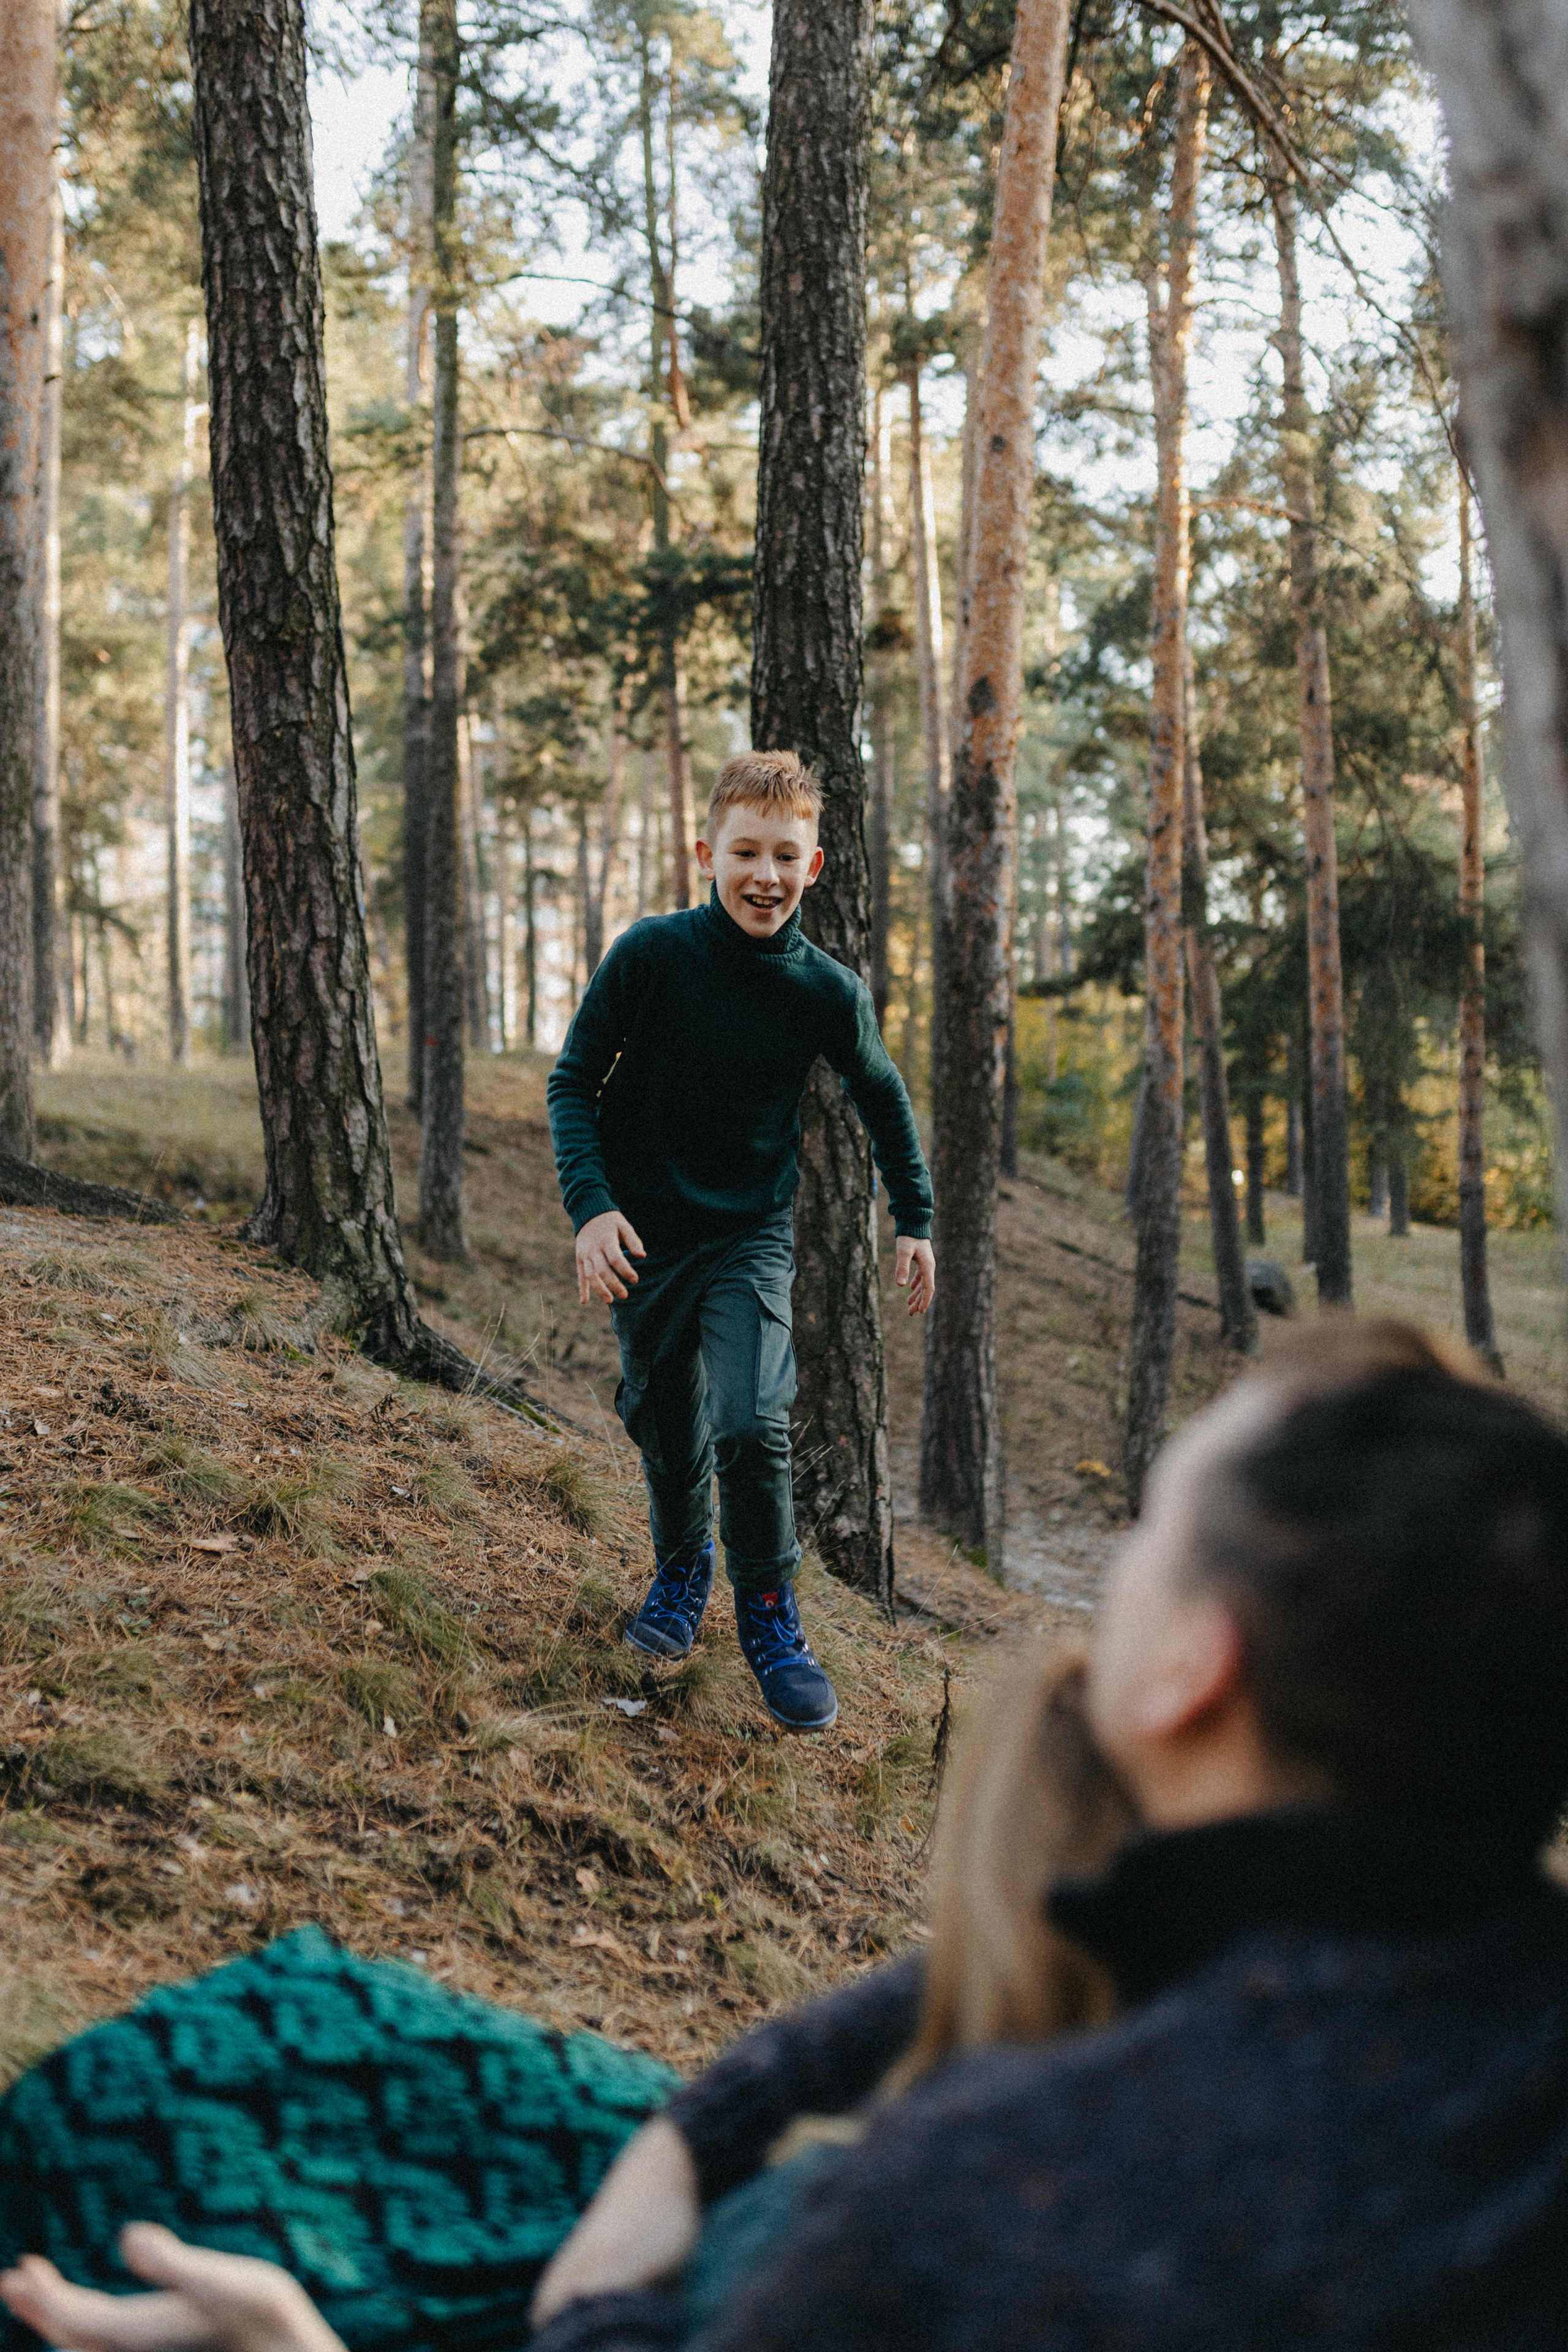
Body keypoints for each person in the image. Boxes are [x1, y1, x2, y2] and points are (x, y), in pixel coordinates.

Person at [0, 1648, 1135, 2352]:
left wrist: (297, 2342)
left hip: (637, 2291)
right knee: (250, 2050)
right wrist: (681, 2153)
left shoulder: (982, 2264)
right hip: (664, 2192)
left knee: (128, 2176)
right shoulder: (1091, 2010)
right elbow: (865, 2031)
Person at [546, 750, 935, 1734]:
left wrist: (915, 1216)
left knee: (752, 1420)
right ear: (706, 854)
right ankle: (683, 1568)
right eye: (746, 852)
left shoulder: (825, 991)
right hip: (643, 1236)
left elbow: (882, 1097)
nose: (765, 875)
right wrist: (591, 1209)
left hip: (748, 1236)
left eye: (785, 856)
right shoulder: (651, 955)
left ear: (814, 867)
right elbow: (573, 1082)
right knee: (663, 1418)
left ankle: (769, 1613)